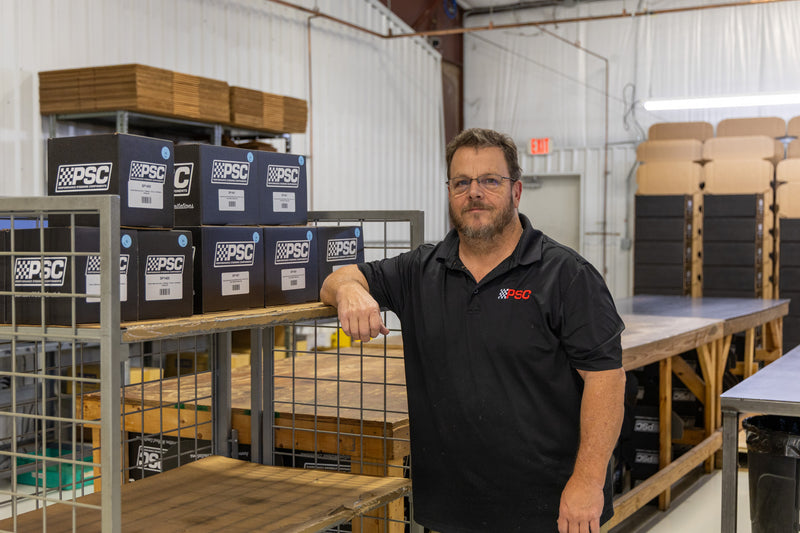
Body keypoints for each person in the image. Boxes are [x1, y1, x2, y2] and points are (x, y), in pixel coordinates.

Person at [320, 128, 626, 533]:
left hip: (549, 510)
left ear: (516, 192)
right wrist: (349, 292)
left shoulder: (567, 276)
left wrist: (587, 482)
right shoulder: (420, 270)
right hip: (450, 511)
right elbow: (336, 278)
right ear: (449, 191)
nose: (474, 193)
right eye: (461, 182)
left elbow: (606, 381)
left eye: (489, 181)